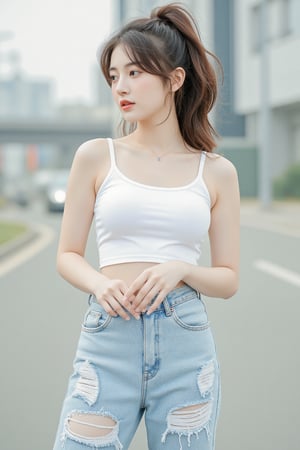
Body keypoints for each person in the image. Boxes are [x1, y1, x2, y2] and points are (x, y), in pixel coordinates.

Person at [52, 3, 240, 450]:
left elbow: (228, 278)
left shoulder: (216, 172)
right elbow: (66, 255)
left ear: (174, 80)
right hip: (107, 335)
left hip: (185, 341)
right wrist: (99, 285)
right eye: (114, 75)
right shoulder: (97, 156)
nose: (121, 86)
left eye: (135, 73)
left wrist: (182, 269)